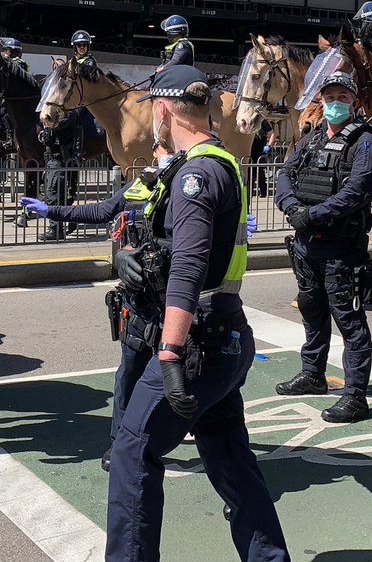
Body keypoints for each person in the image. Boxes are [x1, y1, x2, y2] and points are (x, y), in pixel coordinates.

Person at [104, 65, 288, 561]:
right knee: (228, 454)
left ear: (164, 111)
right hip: (221, 335)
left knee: (133, 449)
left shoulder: (195, 175)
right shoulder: (214, 162)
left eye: (151, 111)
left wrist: (169, 352)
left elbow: (188, 268)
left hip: (197, 344)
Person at [20, 149, 259, 471]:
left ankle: (197, 451)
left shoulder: (191, 186)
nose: (165, 154)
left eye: (170, 149)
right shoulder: (142, 186)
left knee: (193, 387)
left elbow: (196, 249)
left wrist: (230, 228)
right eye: (160, 148)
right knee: (129, 378)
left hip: (180, 308)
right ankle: (120, 445)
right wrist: (52, 211)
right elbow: (102, 210)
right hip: (140, 306)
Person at [273, 72, 372, 422]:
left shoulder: (366, 142)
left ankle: (355, 396)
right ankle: (312, 373)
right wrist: (292, 208)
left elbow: (357, 192)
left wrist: (313, 216)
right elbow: (285, 174)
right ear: (321, 101)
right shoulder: (313, 137)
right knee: (312, 311)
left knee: (349, 321)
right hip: (306, 246)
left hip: (341, 249)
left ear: (355, 102)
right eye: (329, 97)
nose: (335, 103)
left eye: (342, 97)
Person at [35, 106, 84, 241]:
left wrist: (46, 121)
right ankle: (69, 220)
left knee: (53, 194)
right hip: (52, 160)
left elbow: (57, 126)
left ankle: (56, 229)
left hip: (60, 160)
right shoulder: (56, 116)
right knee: (57, 195)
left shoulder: (69, 114)